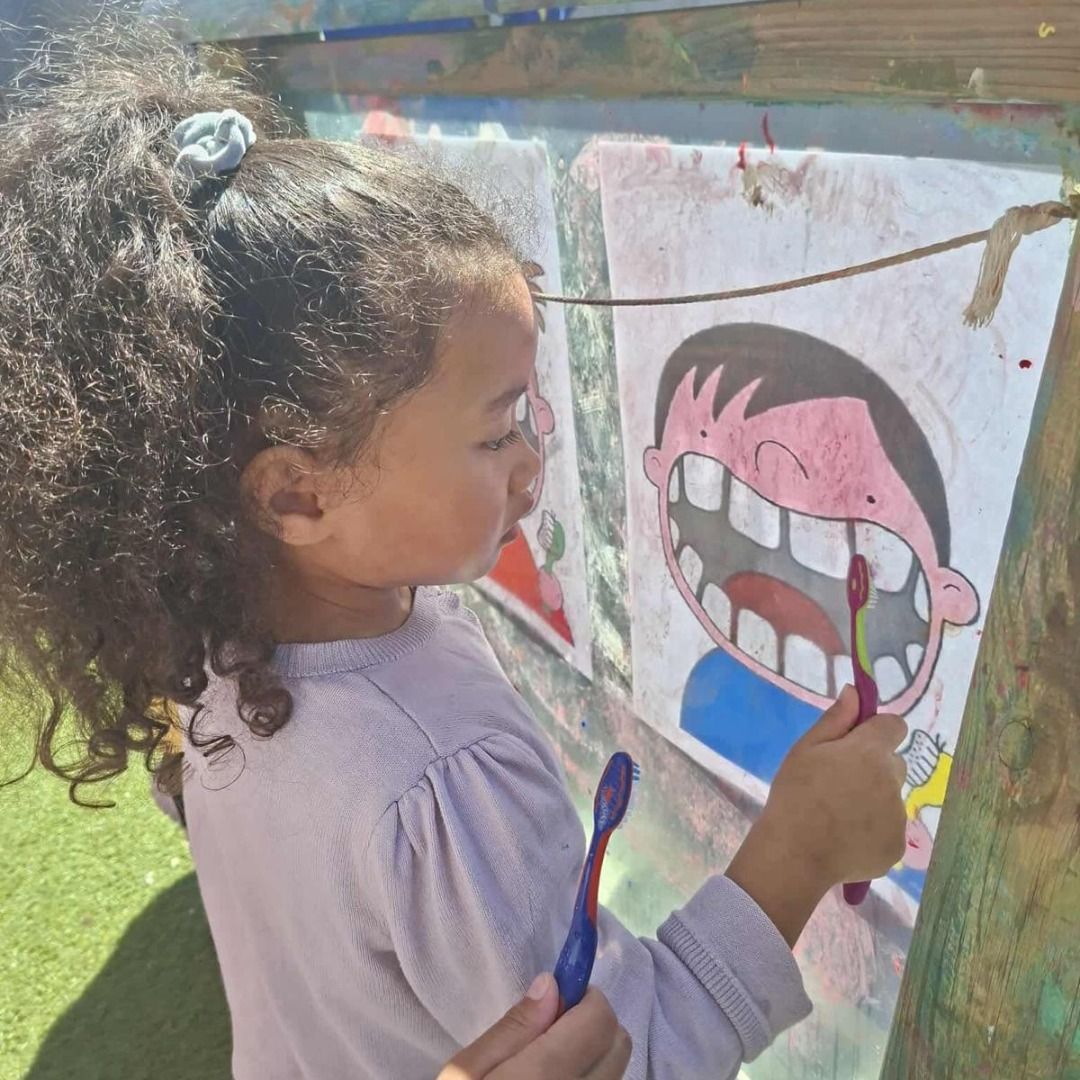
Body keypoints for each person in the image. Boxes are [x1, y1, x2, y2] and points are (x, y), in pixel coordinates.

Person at [0, 20, 908, 1080]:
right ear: (297, 492)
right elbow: (631, 1057)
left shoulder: (212, 648)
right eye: (496, 430)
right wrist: (800, 849)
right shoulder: (440, 781)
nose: (531, 463)